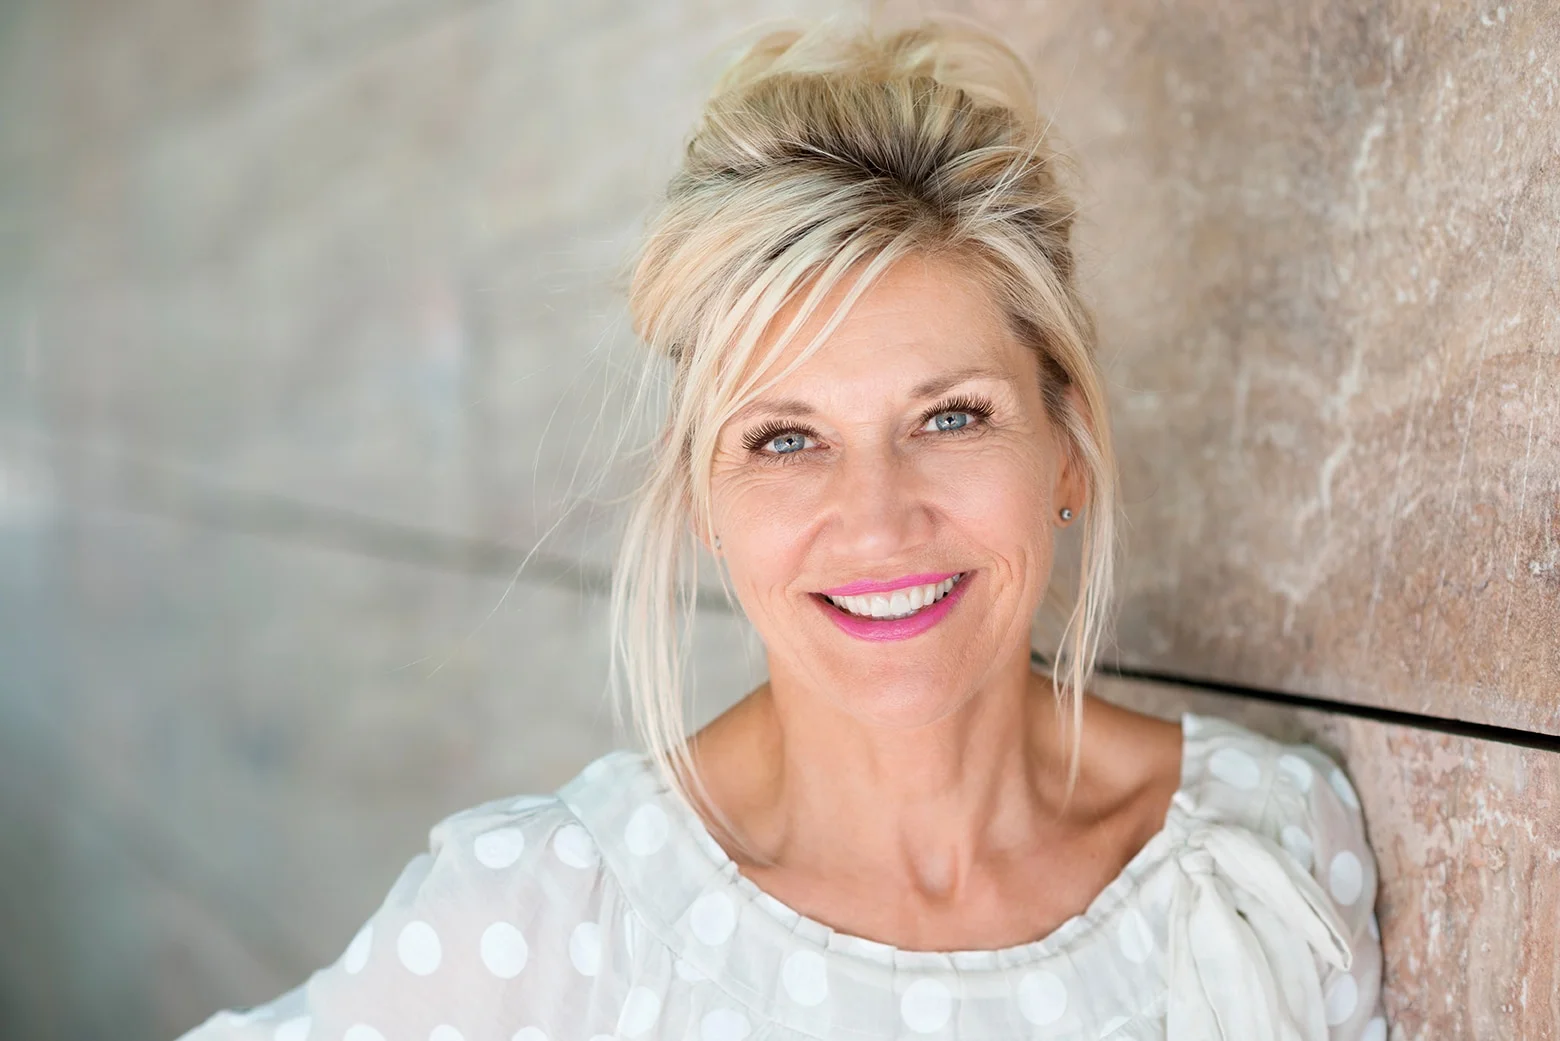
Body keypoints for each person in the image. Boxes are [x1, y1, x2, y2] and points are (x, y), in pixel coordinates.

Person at [178, 16, 1388, 1041]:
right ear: (703, 495)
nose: (876, 520)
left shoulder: (1270, 853)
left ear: (1066, 445)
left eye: (951, 416)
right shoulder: (543, 921)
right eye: (787, 438)